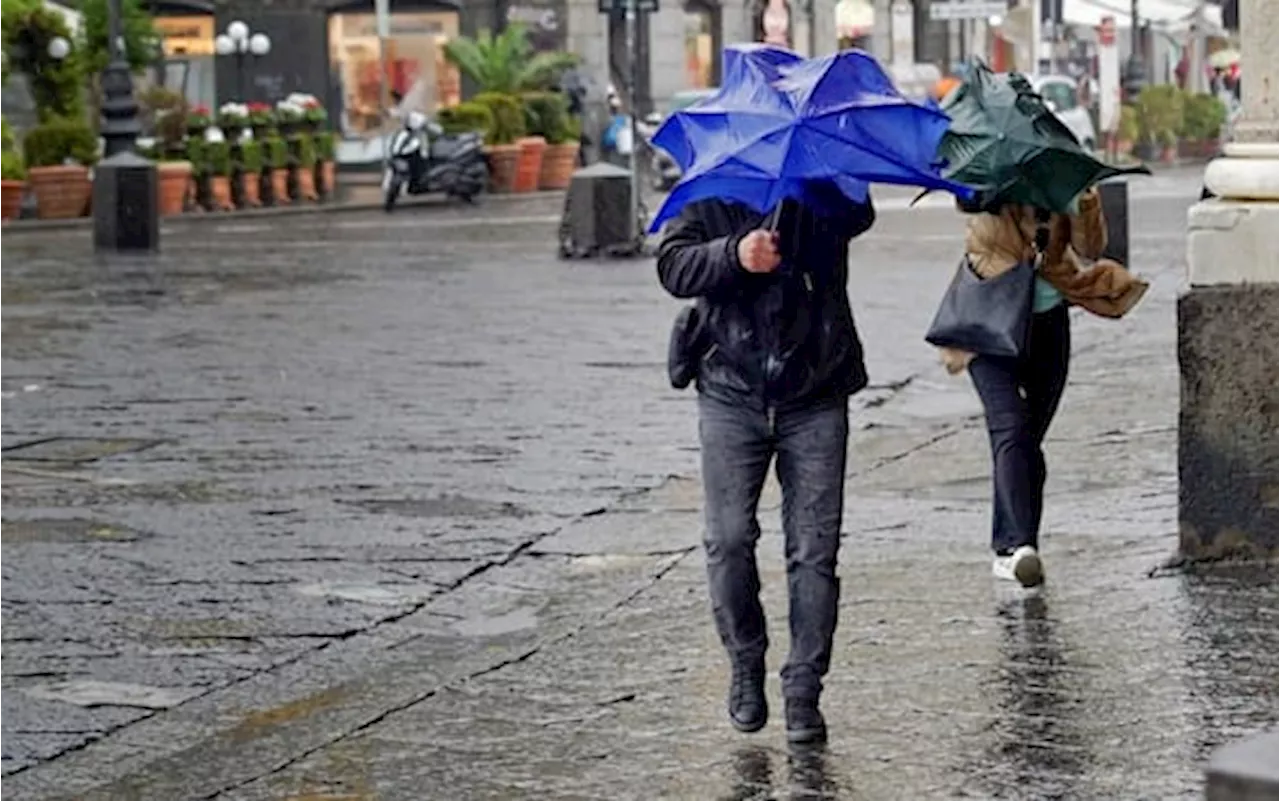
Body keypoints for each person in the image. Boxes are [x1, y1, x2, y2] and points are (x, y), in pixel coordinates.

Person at [656, 185, 876, 744]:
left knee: (814, 551)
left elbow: (858, 215)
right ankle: (745, 660)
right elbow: (674, 265)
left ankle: (804, 687)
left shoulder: (825, 183)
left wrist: (825, 181)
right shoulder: (711, 183)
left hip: (816, 388)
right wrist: (735, 254)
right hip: (730, 389)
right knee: (727, 539)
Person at [943, 187, 1147, 587]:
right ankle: (1014, 546)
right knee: (1011, 429)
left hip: (1048, 325)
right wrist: (1003, 192)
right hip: (989, 321)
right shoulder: (991, 182)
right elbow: (969, 203)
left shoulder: (1059, 184)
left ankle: (1017, 548)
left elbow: (1092, 248)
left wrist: (1085, 202)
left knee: (1029, 439)